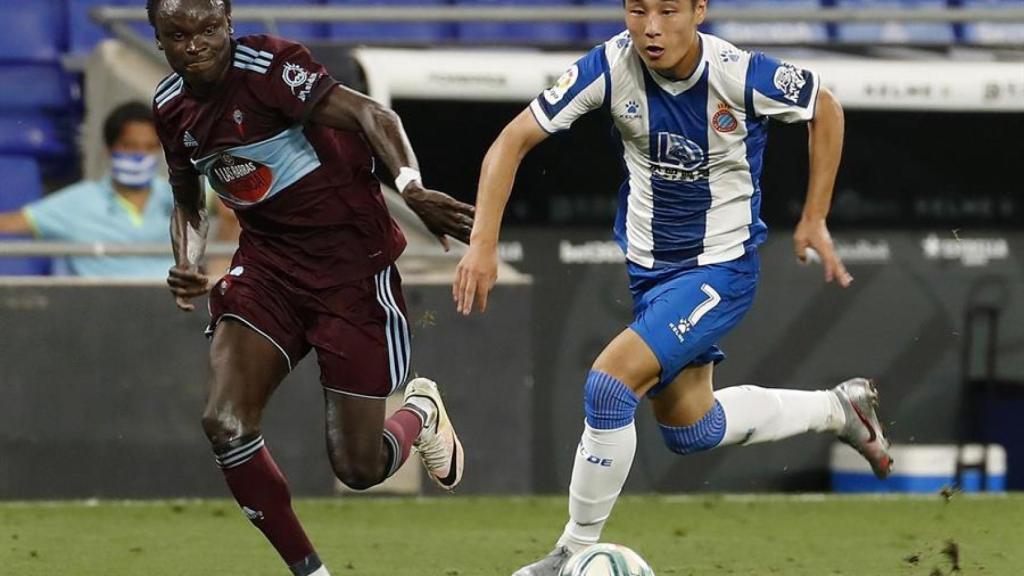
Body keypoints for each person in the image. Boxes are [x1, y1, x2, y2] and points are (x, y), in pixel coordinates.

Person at [453, 1, 894, 573]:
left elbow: (824, 108)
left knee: (610, 389)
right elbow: (510, 142)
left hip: (719, 270)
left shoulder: (739, 72)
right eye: (638, 10)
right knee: (692, 427)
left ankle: (572, 552)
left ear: (699, 11)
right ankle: (840, 409)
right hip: (651, 275)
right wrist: (483, 242)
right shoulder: (609, 67)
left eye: (668, 10)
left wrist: (815, 215)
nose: (652, 28)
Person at [148, 1, 474, 575]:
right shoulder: (171, 106)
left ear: (228, 24)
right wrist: (187, 261)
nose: (194, 44)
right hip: (268, 269)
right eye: (177, 34)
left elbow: (375, 115)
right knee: (225, 423)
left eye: (207, 29)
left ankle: (418, 412)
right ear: (158, 39)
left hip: (351, 270)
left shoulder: (270, 67)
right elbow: (187, 200)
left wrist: (413, 189)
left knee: (359, 467)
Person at [0, 102, 177, 277]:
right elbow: (9, 223)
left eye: (150, 147)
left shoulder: (181, 194)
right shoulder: (78, 202)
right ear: (109, 149)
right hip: (105, 303)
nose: (141, 155)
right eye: (130, 146)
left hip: (175, 302)